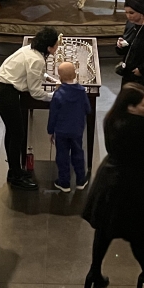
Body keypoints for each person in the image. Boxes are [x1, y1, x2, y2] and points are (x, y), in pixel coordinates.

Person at [82, 83, 144, 288]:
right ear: (131, 107)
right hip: (133, 184)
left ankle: (94, 272)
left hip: (111, 178)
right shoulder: (137, 124)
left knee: (104, 230)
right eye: (143, 104)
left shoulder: (113, 118)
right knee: (138, 233)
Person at [0, 27, 59, 191]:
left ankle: (14, 171)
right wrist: (55, 96)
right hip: (6, 92)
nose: (57, 46)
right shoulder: (37, 59)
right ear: (49, 47)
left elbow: (36, 72)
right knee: (17, 133)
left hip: (1, 87)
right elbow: (36, 92)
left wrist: (50, 78)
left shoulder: (30, 50)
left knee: (13, 132)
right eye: (56, 44)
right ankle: (15, 175)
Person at [47, 61, 89, 192]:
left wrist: (50, 131)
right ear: (75, 74)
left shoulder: (58, 94)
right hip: (77, 130)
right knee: (78, 153)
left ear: (59, 77)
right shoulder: (82, 92)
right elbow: (88, 109)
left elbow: (52, 114)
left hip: (61, 131)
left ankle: (64, 182)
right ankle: (81, 180)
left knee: (62, 155)